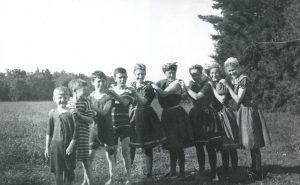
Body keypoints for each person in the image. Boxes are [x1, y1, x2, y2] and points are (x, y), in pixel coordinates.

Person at [222, 57, 271, 180]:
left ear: (238, 67)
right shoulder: (237, 79)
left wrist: (227, 87)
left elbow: (238, 99)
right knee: (250, 141)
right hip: (244, 111)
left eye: (233, 69)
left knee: (253, 141)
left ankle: (258, 172)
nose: (232, 72)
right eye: (229, 71)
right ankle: (254, 168)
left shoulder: (243, 79)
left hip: (249, 110)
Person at [151, 62, 193, 179]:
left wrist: (154, 86)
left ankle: (182, 172)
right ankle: (173, 170)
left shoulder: (177, 83)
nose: (171, 74)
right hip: (167, 115)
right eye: (169, 72)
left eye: (173, 71)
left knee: (178, 144)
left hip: (176, 115)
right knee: (170, 144)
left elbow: (163, 94)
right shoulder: (162, 82)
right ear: (164, 73)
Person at [181, 64, 222, 181]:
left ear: (201, 73)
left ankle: (214, 173)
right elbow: (184, 96)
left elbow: (198, 97)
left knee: (210, 146)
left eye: (197, 74)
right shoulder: (193, 85)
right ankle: (202, 170)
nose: (195, 76)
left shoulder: (207, 84)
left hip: (207, 115)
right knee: (199, 145)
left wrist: (187, 88)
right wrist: (181, 89)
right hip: (196, 116)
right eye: (192, 75)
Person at [129, 63, 166, 179]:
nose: (140, 76)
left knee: (147, 144)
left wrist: (134, 92)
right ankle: (128, 171)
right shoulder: (131, 85)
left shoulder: (149, 87)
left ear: (145, 74)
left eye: (142, 74)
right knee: (131, 144)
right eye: (138, 74)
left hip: (146, 115)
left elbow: (144, 101)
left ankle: (149, 173)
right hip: (133, 115)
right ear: (134, 74)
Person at [205, 62, 239, 177]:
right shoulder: (212, 83)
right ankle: (226, 170)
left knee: (230, 143)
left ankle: (234, 170)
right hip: (216, 116)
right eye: (212, 73)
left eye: (216, 72)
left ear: (220, 73)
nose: (214, 74)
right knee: (223, 144)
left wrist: (211, 87)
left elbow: (222, 100)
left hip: (224, 114)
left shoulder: (221, 83)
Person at [104, 67, 135, 185]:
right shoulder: (110, 90)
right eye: (120, 77)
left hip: (125, 125)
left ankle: (129, 178)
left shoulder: (129, 91)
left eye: (124, 77)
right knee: (112, 152)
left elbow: (125, 102)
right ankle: (112, 178)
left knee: (126, 151)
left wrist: (112, 93)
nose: (123, 79)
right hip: (111, 125)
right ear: (115, 78)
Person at [44, 86, 77, 185]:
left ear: (69, 98)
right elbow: (49, 132)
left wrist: (71, 145)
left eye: (65, 97)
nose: (62, 100)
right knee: (58, 171)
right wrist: (46, 147)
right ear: (54, 99)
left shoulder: (72, 113)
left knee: (68, 170)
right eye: (59, 97)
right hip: (56, 147)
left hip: (69, 146)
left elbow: (76, 131)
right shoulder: (52, 113)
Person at [88, 71, 116, 182]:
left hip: (107, 129)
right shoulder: (89, 96)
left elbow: (104, 112)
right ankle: (87, 180)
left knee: (110, 155)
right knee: (90, 156)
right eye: (98, 81)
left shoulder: (108, 97)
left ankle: (112, 180)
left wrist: (91, 106)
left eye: (103, 81)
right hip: (93, 129)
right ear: (93, 82)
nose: (101, 84)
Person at [67, 79, 95, 185]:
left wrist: (79, 115)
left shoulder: (86, 102)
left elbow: (91, 120)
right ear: (75, 90)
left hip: (82, 134)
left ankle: (90, 183)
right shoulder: (68, 101)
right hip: (69, 135)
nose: (86, 89)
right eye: (83, 87)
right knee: (68, 160)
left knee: (85, 161)